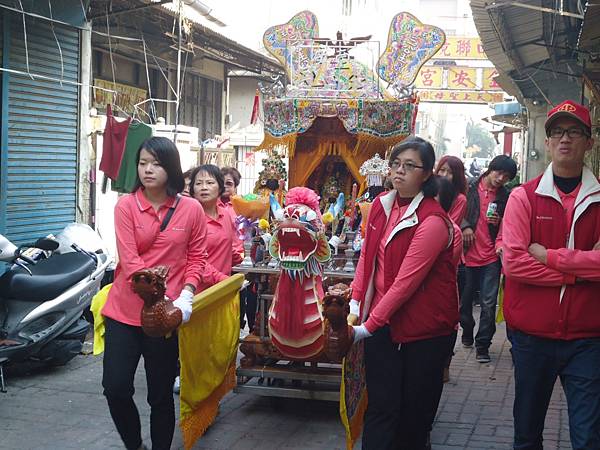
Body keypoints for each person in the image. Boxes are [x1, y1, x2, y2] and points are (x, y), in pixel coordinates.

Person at [349, 137, 459, 450]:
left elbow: (406, 282)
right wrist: (356, 304)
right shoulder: (381, 206)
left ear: (427, 174)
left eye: (409, 166)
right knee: (381, 408)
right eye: (396, 164)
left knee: (413, 417)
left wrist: (368, 326)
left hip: (424, 330)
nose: (399, 172)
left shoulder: (434, 220)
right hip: (382, 324)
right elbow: (367, 261)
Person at [502, 100, 600, 450]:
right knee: (527, 434)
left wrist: (551, 257)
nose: (564, 139)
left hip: (588, 338)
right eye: (557, 132)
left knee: (589, 437)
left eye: (574, 132)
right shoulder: (523, 198)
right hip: (531, 337)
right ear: (546, 142)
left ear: (589, 142)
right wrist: (579, 271)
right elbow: (513, 263)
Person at [101, 137, 208, 450]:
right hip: (123, 311)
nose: (148, 170)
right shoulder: (126, 206)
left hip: (165, 316)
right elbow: (131, 259)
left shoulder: (190, 209)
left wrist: (186, 295)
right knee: (115, 387)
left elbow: (196, 257)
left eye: (157, 163)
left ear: (171, 168)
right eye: (143, 163)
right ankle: (134, 445)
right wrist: (152, 290)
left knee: (160, 393)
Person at [460, 154, 517, 363]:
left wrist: (499, 220)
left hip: (491, 258)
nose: (501, 178)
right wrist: (465, 225)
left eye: (507, 176)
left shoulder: (506, 197)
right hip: (467, 256)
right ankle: (467, 331)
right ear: (490, 169)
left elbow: (510, 223)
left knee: (488, 303)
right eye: (499, 172)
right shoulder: (469, 187)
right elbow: (456, 211)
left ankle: (483, 345)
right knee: (464, 304)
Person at [189, 164, 243, 293]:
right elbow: (192, 260)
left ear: (220, 187)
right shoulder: (190, 217)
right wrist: (223, 280)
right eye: (198, 183)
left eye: (210, 182)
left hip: (223, 291)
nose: (204, 187)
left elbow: (228, 248)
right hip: (199, 293)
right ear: (192, 189)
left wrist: (246, 262)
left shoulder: (225, 215)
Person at [435, 155, 468, 226]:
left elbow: (451, 226)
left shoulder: (460, 199)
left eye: (451, 172)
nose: (444, 175)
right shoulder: (429, 191)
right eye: (442, 170)